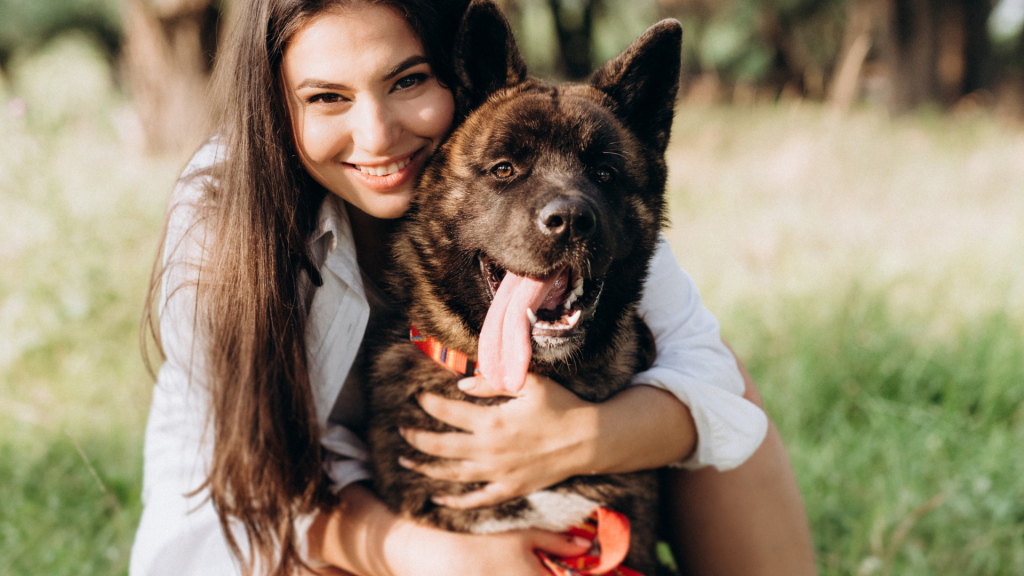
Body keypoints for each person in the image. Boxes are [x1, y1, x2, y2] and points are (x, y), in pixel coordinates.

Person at [130, 1, 817, 575]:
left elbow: (713, 380)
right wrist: (440, 556)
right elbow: (253, 491)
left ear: (458, 79)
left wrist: (585, 437)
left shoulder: (579, 175)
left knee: (716, 382)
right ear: (275, 106)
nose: (376, 133)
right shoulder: (228, 218)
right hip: (276, 533)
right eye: (326, 98)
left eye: (407, 81)